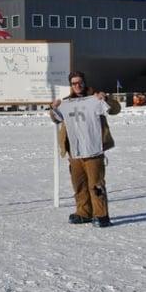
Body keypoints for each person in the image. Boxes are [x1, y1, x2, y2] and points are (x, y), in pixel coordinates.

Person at [49, 71, 121, 228]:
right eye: (74, 83)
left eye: (79, 82)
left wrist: (106, 98)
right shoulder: (66, 102)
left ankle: (101, 215)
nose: (77, 85)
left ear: (84, 82)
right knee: (79, 185)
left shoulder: (95, 98)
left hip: (93, 149)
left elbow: (115, 109)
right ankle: (84, 213)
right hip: (74, 151)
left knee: (96, 185)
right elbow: (56, 118)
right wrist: (53, 109)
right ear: (71, 85)